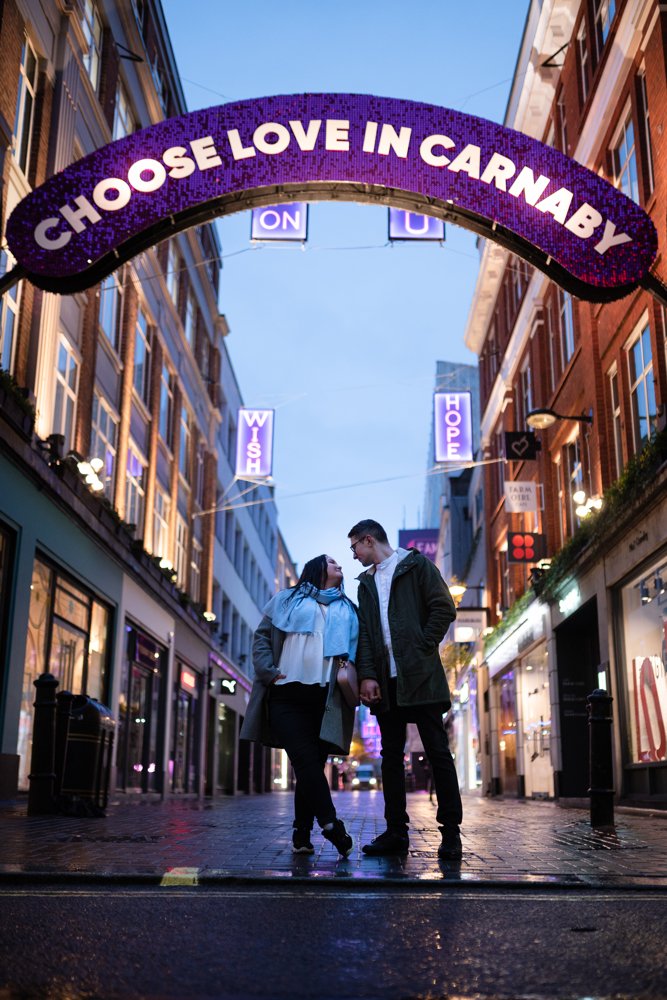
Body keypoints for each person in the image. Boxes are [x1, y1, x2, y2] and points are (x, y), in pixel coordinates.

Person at [348, 519, 463, 859]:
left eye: (354, 547)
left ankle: (451, 832)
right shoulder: (365, 584)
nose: (353, 555)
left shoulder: (416, 565)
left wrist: (422, 647)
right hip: (386, 682)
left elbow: (444, 608)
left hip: (421, 676)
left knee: (438, 753)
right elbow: (367, 635)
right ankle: (396, 832)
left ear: (369, 540)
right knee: (391, 758)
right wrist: (368, 676)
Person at [239, 554, 358, 858]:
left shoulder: (348, 609)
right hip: (286, 694)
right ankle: (331, 824)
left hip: (325, 699)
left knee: (311, 767)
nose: (340, 566)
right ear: (318, 568)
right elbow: (262, 639)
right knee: (305, 761)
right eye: (333, 563)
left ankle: (301, 833)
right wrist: (268, 671)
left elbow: (359, 650)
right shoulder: (286, 600)